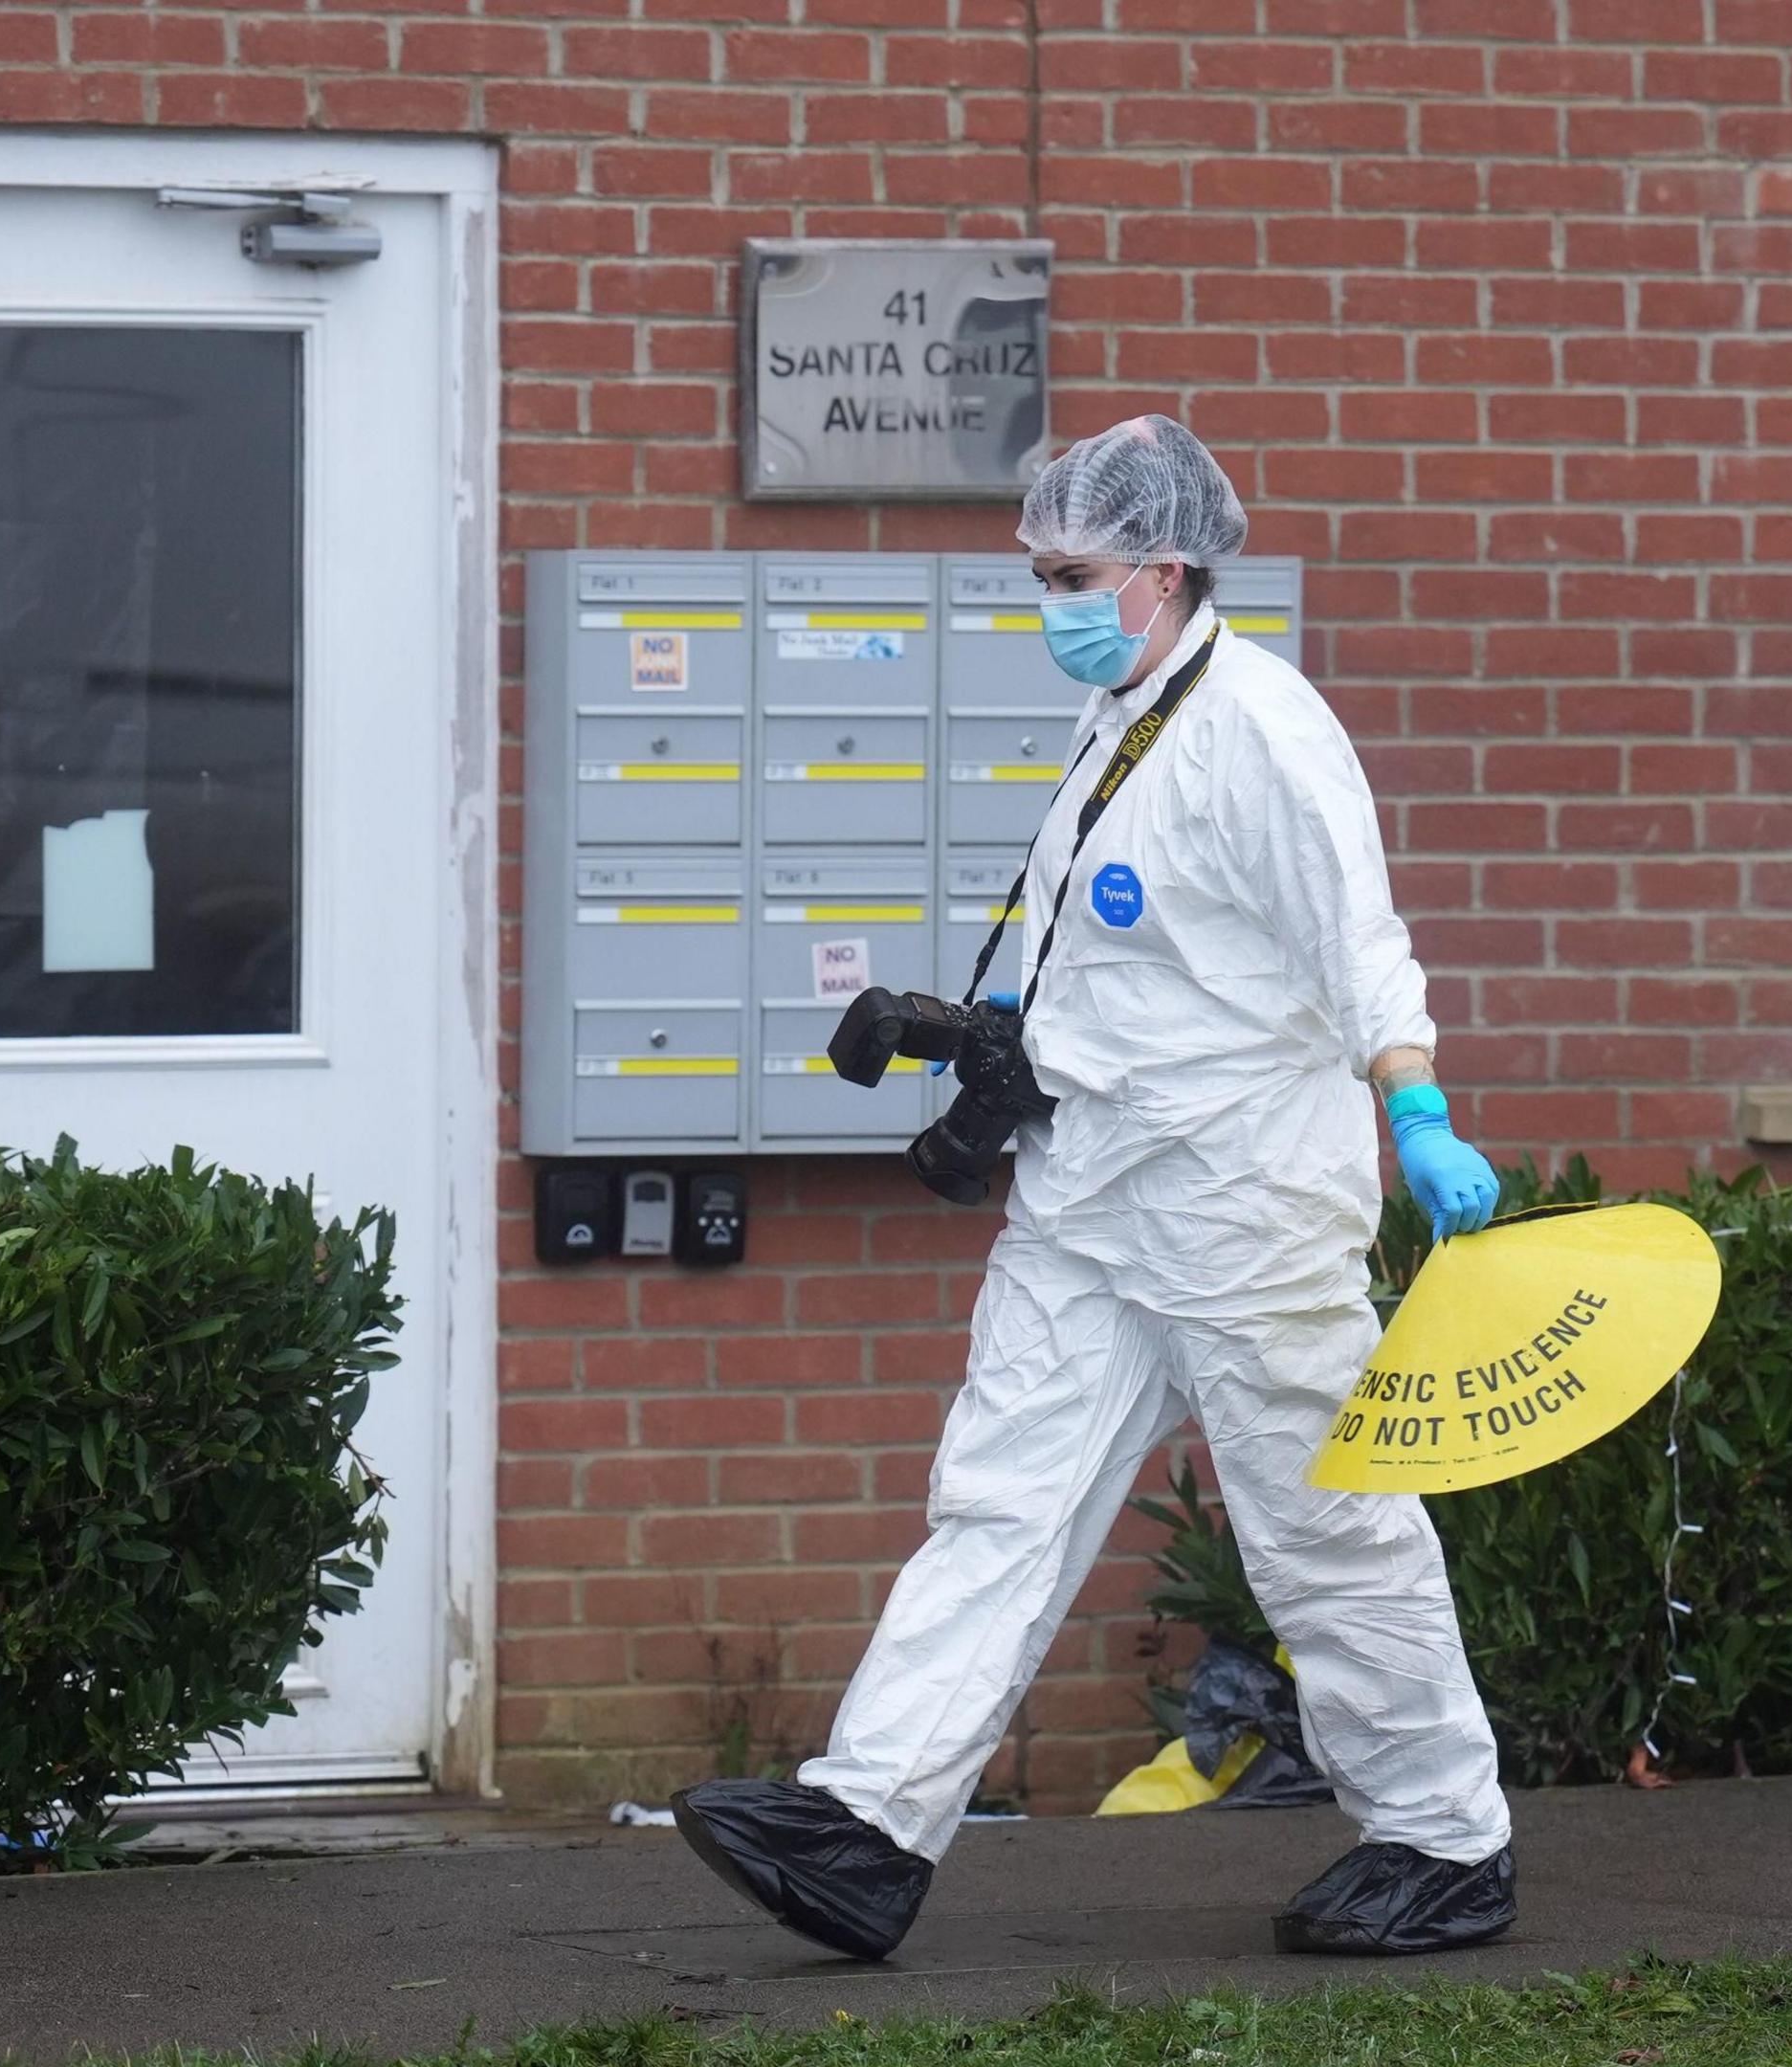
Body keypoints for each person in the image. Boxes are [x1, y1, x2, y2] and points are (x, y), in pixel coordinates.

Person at [670, 416, 1517, 1962]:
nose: (1045, 600)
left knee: (1328, 1533)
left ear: (1162, 569)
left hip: (1243, 1205)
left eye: (1069, 573)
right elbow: (1129, 954)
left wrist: (1421, 1113)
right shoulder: (1122, 712)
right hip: (1090, 1191)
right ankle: (867, 1824)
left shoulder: (1265, 730)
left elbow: (1359, 944)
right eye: (1039, 573)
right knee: (997, 1505)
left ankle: (1444, 1840)